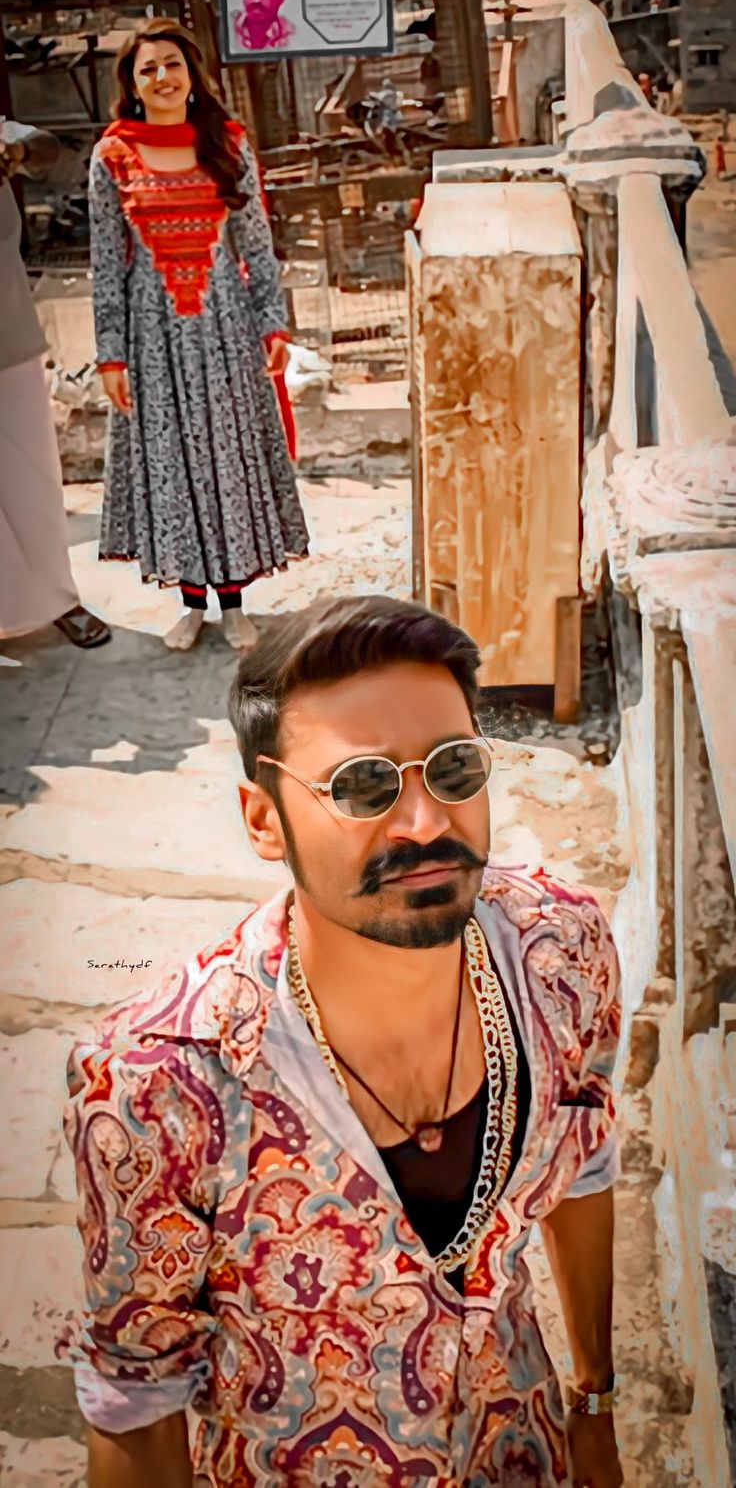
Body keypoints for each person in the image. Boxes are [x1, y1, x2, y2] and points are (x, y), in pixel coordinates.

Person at [62, 595, 624, 1488]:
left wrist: (593, 1402)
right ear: (261, 818)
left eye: (454, 768)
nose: (425, 823)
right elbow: (137, 1394)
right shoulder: (159, 1081)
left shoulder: (563, 950)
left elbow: (584, 1163)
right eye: (364, 784)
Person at [88, 17, 308, 651]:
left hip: (226, 328)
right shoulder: (112, 156)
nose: (161, 77)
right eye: (147, 68)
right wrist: (110, 355)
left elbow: (258, 246)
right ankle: (190, 603)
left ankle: (235, 603)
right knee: (173, 462)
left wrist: (272, 319)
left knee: (228, 461)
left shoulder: (230, 145)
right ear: (131, 83)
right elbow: (107, 262)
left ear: (192, 75)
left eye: (172, 64)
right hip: (150, 339)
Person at [0, 121, 110, 649]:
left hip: (8, 332)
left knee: (33, 477)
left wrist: (14, 150)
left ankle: (58, 600)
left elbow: (43, 148)